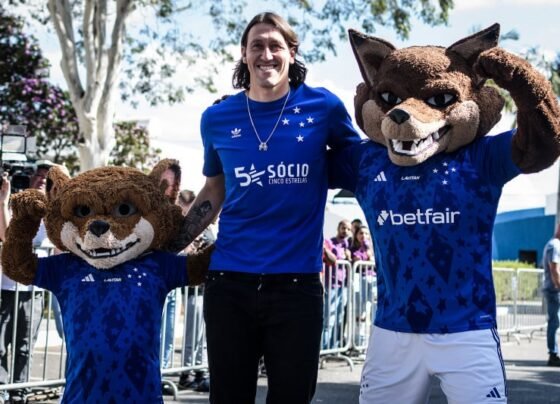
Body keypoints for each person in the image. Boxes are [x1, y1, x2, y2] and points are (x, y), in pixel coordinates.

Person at [176, 12, 361, 403]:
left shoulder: (323, 107)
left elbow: (361, 161)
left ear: (291, 54)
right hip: (229, 283)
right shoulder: (216, 118)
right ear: (244, 55)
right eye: (256, 45)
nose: (266, 54)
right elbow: (214, 190)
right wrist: (170, 241)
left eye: (275, 46)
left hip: (297, 286)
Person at [0, 161, 53, 402]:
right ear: (31, 180)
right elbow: (6, 234)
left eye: (46, 178)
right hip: (7, 288)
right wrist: (3, 199)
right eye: (38, 176)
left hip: (33, 291)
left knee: (24, 346)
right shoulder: (17, 206)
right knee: (0, 345)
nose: (41, 179)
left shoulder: (53, 214)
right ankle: (2, 388)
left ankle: (19, 392)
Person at [176, 190, 212, 393]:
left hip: (206, 288)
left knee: (202, 336)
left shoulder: (208, 229)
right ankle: (187, 373)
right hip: (192, 289)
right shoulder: (184, 228)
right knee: (191, 334)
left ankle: (200, 371)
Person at [322, 222, 350, 349]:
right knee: (329, 320)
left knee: (339, 319)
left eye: (348, 229)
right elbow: (329, 258)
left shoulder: (347, 244)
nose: (346, 231)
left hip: (344, 286)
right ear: (338, 228)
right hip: (331, 285)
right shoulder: (329, 242)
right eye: (343, 228)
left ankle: (334, 349)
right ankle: (323, 349)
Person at [543, 223, 560, 366]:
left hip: (554, 289)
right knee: (554, 322)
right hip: (555, 290)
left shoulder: (554, 244)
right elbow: (554, 269)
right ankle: (553, 354)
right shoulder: (555, 245)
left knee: (555, 322)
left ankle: (554, 353)